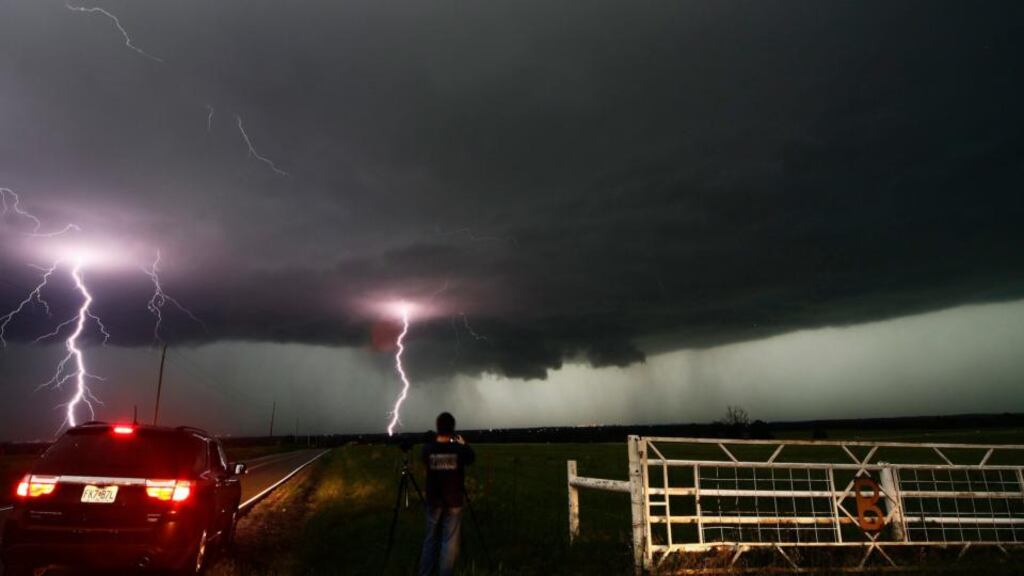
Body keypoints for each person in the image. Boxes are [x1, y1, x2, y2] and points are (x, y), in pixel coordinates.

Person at [417, 412, 475, 576]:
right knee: (449, 541)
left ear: (437, 428)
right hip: (454, 500)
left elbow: (425, 459)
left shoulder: (428, 449)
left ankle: (425, 572)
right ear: (452, 429)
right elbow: (471, 458)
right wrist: (464, 444)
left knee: (430, 539)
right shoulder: (458, 450)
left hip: (434, 500)